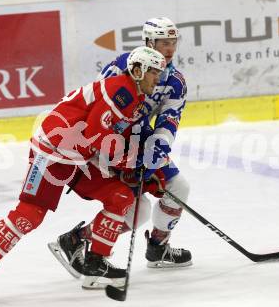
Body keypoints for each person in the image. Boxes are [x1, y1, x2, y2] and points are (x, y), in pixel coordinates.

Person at [0, 46, 166, 303]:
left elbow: (105, 141)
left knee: (121, 196)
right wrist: (130, 164)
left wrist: (140, 170)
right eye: (154, 72)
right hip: (53, 152)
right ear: (137, 71)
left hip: (81, 154)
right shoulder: (120, 92)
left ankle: (95, 264)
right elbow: (96, 138)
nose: (158, 78)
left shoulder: (134, 96)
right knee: (30, 214)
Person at [49, 17, 192, 278]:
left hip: (140, 143)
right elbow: (100, 115)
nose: (170, 49)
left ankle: (158, 247)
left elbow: (169, 120)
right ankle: (75, 240)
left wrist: (154, 152)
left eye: (173, 42)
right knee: (139, 211)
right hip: (109, 145)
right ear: (149, 42)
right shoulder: (120, 68)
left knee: (178, 187)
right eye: (163, 42)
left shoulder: (175, 82)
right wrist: (120, 158)